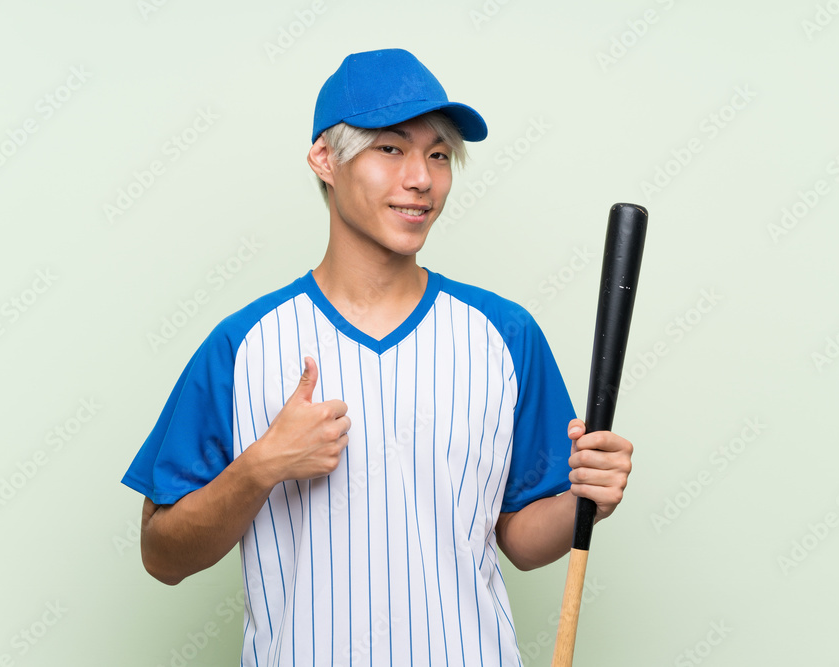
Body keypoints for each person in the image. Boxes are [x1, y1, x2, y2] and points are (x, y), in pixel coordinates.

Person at [121, 48, 633, 666]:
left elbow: (521, 540)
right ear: (324, 160)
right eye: (390, 149)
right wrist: (259, 468)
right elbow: (162, 557)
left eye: (438, 155)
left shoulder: (505, 334)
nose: (421, 178)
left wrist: (587, 499)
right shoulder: (243, 344)